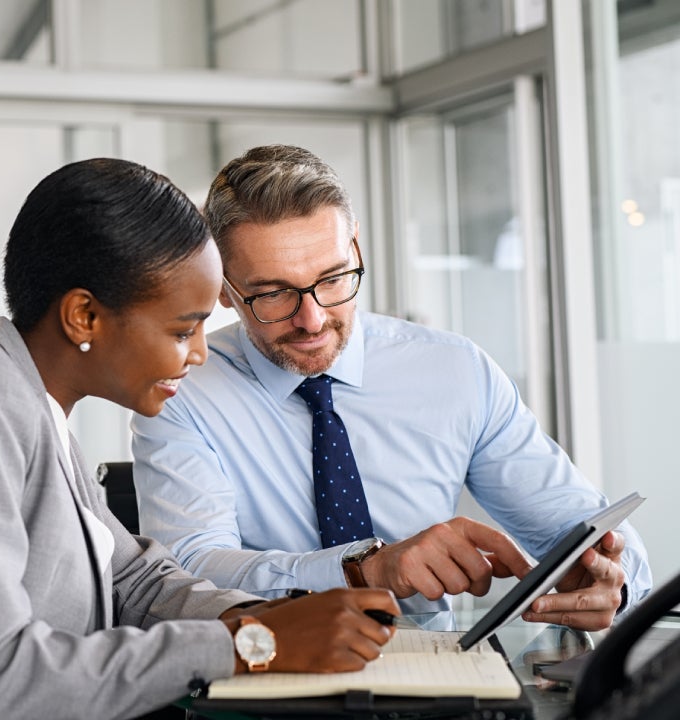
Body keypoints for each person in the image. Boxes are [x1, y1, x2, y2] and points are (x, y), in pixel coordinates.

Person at [0, 158, 399, 720]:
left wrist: (280, 616)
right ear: (84, 318)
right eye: (182, 329)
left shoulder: (37, 406)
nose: (198, 354)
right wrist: (252, 643)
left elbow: (134, 581)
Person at [131, 144, 651, 632]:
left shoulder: (454, 371)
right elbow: (188, 575)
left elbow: (585, 527)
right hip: (270, 680)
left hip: (445, 680)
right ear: (223, 287)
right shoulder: (182, 389)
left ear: (355, 246)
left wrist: (610, 580)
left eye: (333, 279)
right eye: (272, 294)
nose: (312, 320)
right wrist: (364, 571)